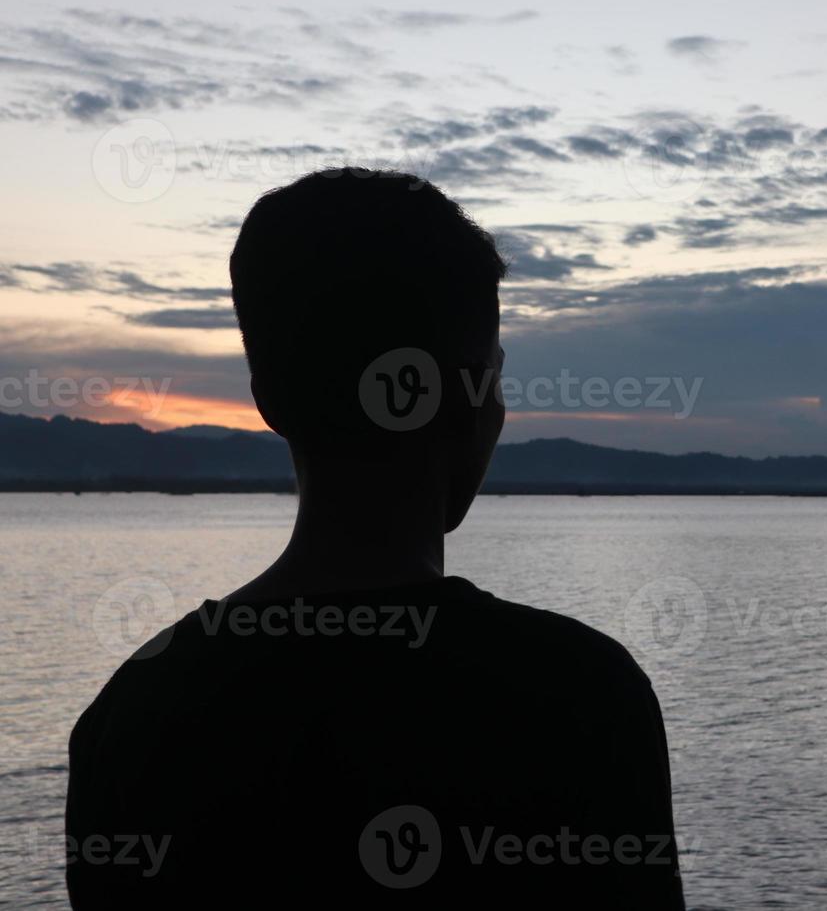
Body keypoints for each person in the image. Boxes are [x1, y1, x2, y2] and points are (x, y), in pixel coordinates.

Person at [65, 169, 686, 907]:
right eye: (494, 378)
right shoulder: (582, 697)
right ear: (464, 402)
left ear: (266, 400)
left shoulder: (131, 717)